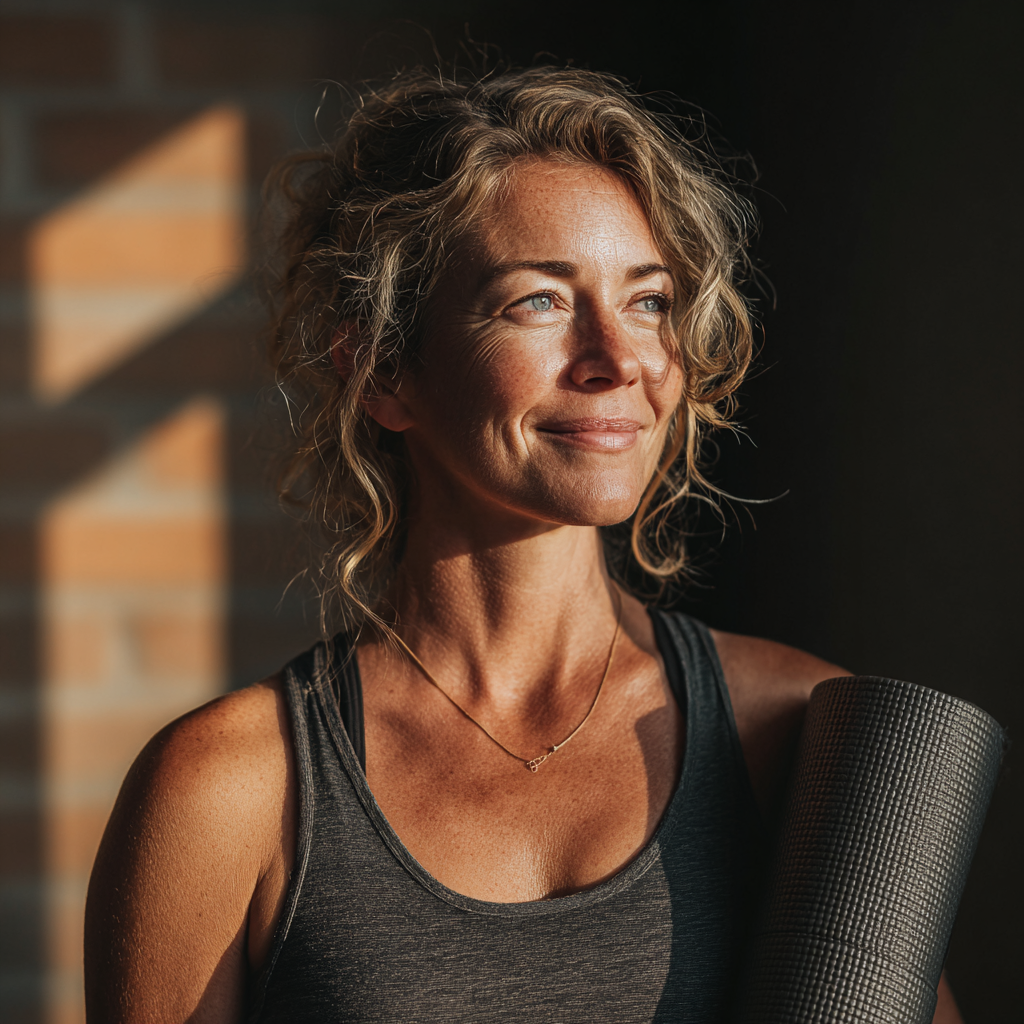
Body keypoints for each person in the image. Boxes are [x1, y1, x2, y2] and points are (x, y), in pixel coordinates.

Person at [84, 66, 963, 1023]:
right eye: (539, 301)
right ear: (382, 368)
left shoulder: (801, 732)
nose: (619, 360)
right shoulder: (230, 789)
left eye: (649, 301)